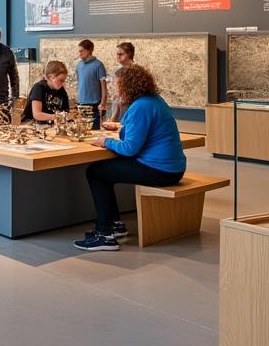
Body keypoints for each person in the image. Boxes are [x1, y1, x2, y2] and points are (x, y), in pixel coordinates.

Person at [73, 64, 186, 252]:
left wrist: (106, 142)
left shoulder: (140, 106)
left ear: (128, 85)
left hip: (160, 170)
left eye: (116, 85)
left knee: (96, 172)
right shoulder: (153, 100)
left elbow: (129, 149)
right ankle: (114, 224)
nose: (114, 88)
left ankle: (105, 235)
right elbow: (135, 132)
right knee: (104, 170)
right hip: (172, 167)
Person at [73, 39, 108, 130]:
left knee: (94, 132)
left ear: (89, 50)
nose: (79, 53)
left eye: (81, 51)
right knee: (81, 131)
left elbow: (104, 87)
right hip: (80, 105)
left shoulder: (98, 65)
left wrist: (103, 103)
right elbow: (80, 83)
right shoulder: (79, 65)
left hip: (94, 106)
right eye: (79, 51)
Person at [105, 42, 135, 123]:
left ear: (129, 54)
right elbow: (116, 97)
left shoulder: (135, 72)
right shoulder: (117, 71)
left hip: (129, 110)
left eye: (121, 54)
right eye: (117, 54)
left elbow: (121, 97)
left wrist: (113, 118)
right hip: (119, 111)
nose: (118, 56)